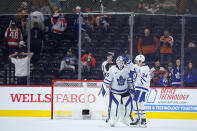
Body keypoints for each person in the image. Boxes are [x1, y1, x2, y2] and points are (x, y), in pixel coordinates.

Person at [100, 56, 134, 127]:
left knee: (128, 106)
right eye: (119, 62)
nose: (121, 64)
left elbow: (129, 80)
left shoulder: (127, 69)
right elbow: (107, 81)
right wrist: (105, 88)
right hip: (114, 92)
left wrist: (131, 87)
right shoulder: (112, 69)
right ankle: (112, 119)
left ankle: (127, 119)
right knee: (113, 107)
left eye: (122, 62)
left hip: (125, 91)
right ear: (116, 62)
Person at [130, 54, 151, 127]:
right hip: (138, 87)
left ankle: (143, 120)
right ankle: (138, 118)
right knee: (136, 102)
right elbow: (136, 77)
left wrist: (132, 68)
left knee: (139, 103)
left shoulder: (145, 68)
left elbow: (137, 70)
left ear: (140, 61)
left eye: (137, 61)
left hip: (142, 88)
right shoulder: (139, 67)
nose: (136, 63)